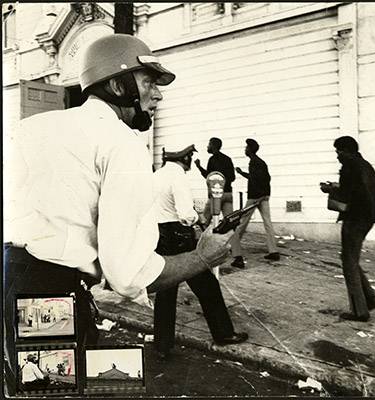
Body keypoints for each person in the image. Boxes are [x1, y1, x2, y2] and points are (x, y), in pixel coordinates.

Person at [3, 34, 233, 396]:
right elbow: (126, 274)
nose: (158, 95)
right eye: (148, 83)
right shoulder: (123, 143)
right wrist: (203, 256)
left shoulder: (34, 127)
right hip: (51, 295)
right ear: (116, 85)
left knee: (45, 384)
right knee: (58, 389)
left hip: (15, 277)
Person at [153, 145, 248, 358]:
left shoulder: (157, 175)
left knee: (166, 290)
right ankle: (223, 333)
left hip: (160, 233)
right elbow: (186, 213)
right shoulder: (177, 177)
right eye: (190, 157)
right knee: (208, 285)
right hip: (179, 234)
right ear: (185, 157)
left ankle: (162, 345)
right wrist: (199, 220)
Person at [320, 136, 375, 322]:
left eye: (339, 152)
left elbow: (349, 194)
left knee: (348, 262)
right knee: (351, 258)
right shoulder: (364, 165)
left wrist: (330, 190)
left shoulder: (348, 167)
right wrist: (337, 186)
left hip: (355, 218)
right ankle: (369, 299)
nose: (337, 156)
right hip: (368, 217)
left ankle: (360, 311)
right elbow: (357, 188)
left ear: (347, 151)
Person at [231, 138, 280, 268]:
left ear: (250, 150)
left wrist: (258, 197)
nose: (245, 149)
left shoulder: (254, 162)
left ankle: (234, 247)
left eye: (246, 147)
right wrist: (242, 173)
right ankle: (273, 251)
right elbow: (264, 178)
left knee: (242, 222)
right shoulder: (260, 162)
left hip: (255, 197)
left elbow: (256, 180)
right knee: (267, 223)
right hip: (263, 196)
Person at [194, 137, 236, 224]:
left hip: (216, 194)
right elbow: (232, 177)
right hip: (228, 193)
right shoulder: (227, 159)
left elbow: (208, 176)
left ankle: (205, 237)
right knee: (229, 222)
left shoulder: (212, 160)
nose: (207, 146)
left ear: (213, 146)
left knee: (204, 220)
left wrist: (199, 167)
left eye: (209, 144)